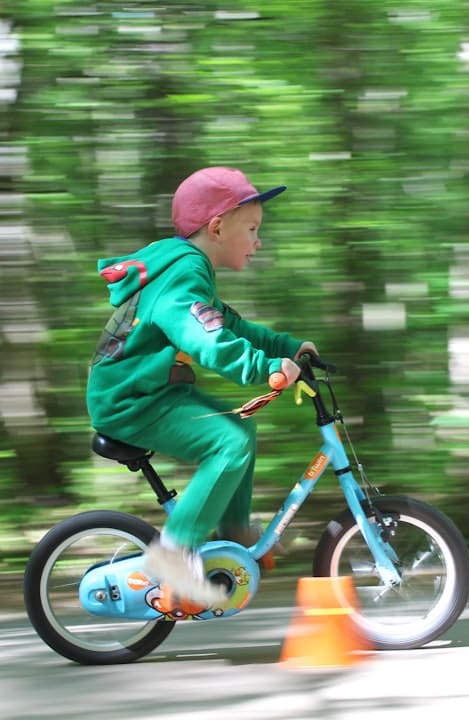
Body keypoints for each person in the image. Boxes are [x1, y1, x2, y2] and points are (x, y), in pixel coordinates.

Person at [85, 166, 316, 605]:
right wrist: (264, 368)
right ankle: (172, 553)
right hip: (131, 401)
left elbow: (227, 323)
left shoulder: (187, 269)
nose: (257, 241)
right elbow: (206, 339)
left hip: (150, 392)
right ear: (217, 226)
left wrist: (286, 346)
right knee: (229, 443)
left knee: (239, 429)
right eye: (251, 229)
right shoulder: (184, 273)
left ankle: (233, 532)